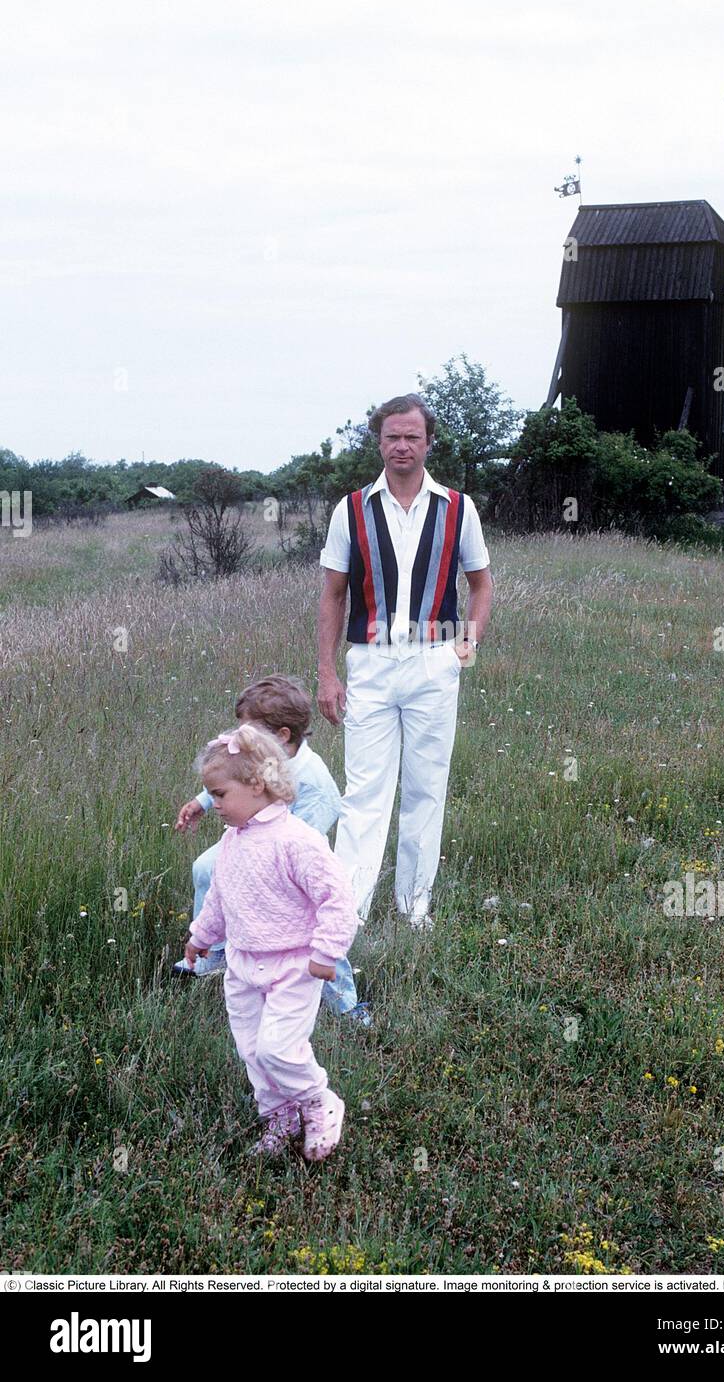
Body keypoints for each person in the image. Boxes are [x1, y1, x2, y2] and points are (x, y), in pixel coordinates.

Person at [317, 393, 493, 928]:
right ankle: (350, 913)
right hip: (369, 664)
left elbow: (481, 584)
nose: (401, 446)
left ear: (428, 442)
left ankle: (415, 907)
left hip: (433, 664)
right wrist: (327, 672)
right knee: (364, 793)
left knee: (425, 789)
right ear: (379, 441)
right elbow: (332, 595)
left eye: (411, 437)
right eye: (392, 436)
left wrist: (467, 644)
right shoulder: (351, 509)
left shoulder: (458, 508)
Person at [184, 722, 359, 1161]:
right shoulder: (232, 841)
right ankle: (279, 1116)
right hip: (242, 966)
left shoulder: (297, 841)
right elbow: (221, 896)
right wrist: (200, 937)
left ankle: (319, 1101)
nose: (215, 804)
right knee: (253, 1052)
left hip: (293, 966)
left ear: (257, 784)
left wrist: (326, 953)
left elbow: (337, 898)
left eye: (220, 794)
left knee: (279, 1048)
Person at [173, 674, 369, 1025]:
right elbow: (231, 776)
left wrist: (263, 869)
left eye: (248, 732)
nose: (238, 739)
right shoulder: (254, 757)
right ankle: (213, 948)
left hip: (290, 863)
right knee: (208, 870)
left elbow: (304, 843)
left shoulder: (314, 782)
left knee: (312, 925)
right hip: (248, 837)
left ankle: (345, 1004)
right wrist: (203, 802)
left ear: (282, 736)